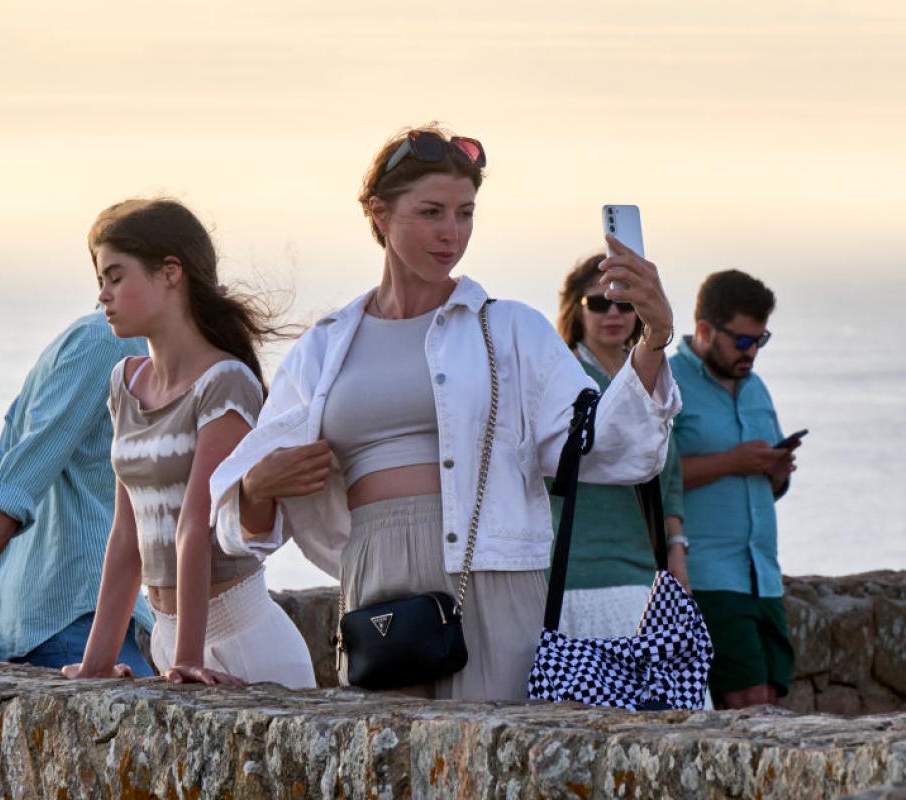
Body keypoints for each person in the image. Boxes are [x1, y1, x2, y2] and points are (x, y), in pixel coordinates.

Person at [209, 126, 681, 701]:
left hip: (492, 570)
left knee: (494, 751)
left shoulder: (511, 329)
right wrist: (256, 487)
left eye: (465, 214)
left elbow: (605, 451)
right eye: (431, 212)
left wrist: (652, 340)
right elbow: (244, 525)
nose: (451, 233)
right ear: (380, 214)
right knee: (385, 754)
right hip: (373, 574)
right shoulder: (326, 346)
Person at [61, 199, 315, 688]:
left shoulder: (224, 382)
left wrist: (188, 659)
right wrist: (96, 663)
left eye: (116, 277)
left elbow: (195, 524)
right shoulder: (125, 383)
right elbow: (127, 535)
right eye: (100, 281)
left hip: (240, 643)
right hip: (169, 640)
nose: (103, 296)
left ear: (170, 272)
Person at [0, 261, 151, 672]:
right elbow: (29, 459)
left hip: (58, 604)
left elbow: (6, 455)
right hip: (73, 603)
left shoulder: (91, 340)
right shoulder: (107, 343)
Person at [670, 269, 797, 709]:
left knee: (772, 696)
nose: (752, 352)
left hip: (763, 575)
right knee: (749, 701)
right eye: (743, 340)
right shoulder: (668, 383)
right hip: (707, 574)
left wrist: (777, 472)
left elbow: (767, 486)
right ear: (706, 330)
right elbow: (652, 478)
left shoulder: (756, 387)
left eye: (760, 340)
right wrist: (731, 462)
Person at [550, 254, 689, 639]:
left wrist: (678, 561)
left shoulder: (656, 380)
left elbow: (670, 481)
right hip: (575, 579)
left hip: (646, 578)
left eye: (624, 304)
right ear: (576, 309)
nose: (613, 312)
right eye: (598, 302)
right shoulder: (559, 378)